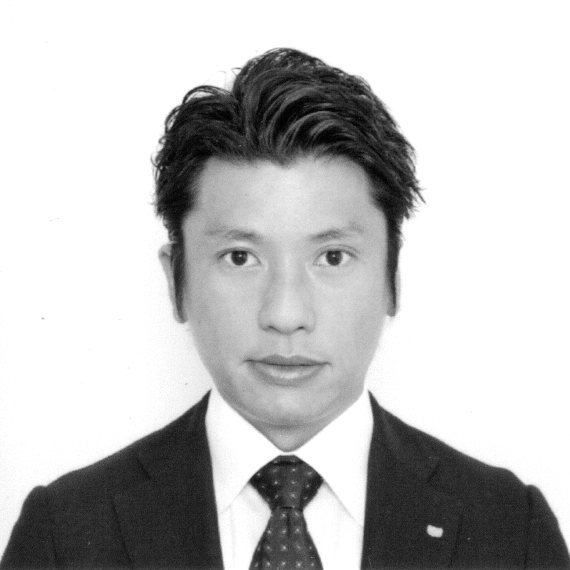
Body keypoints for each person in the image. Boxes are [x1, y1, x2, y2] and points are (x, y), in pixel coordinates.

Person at [2, 48, 568, 570]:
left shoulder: (510, 531)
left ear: (392, 280)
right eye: (241, 257)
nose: (286, 314)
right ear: (176, 282)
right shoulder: (64, 535)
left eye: (332, 257)